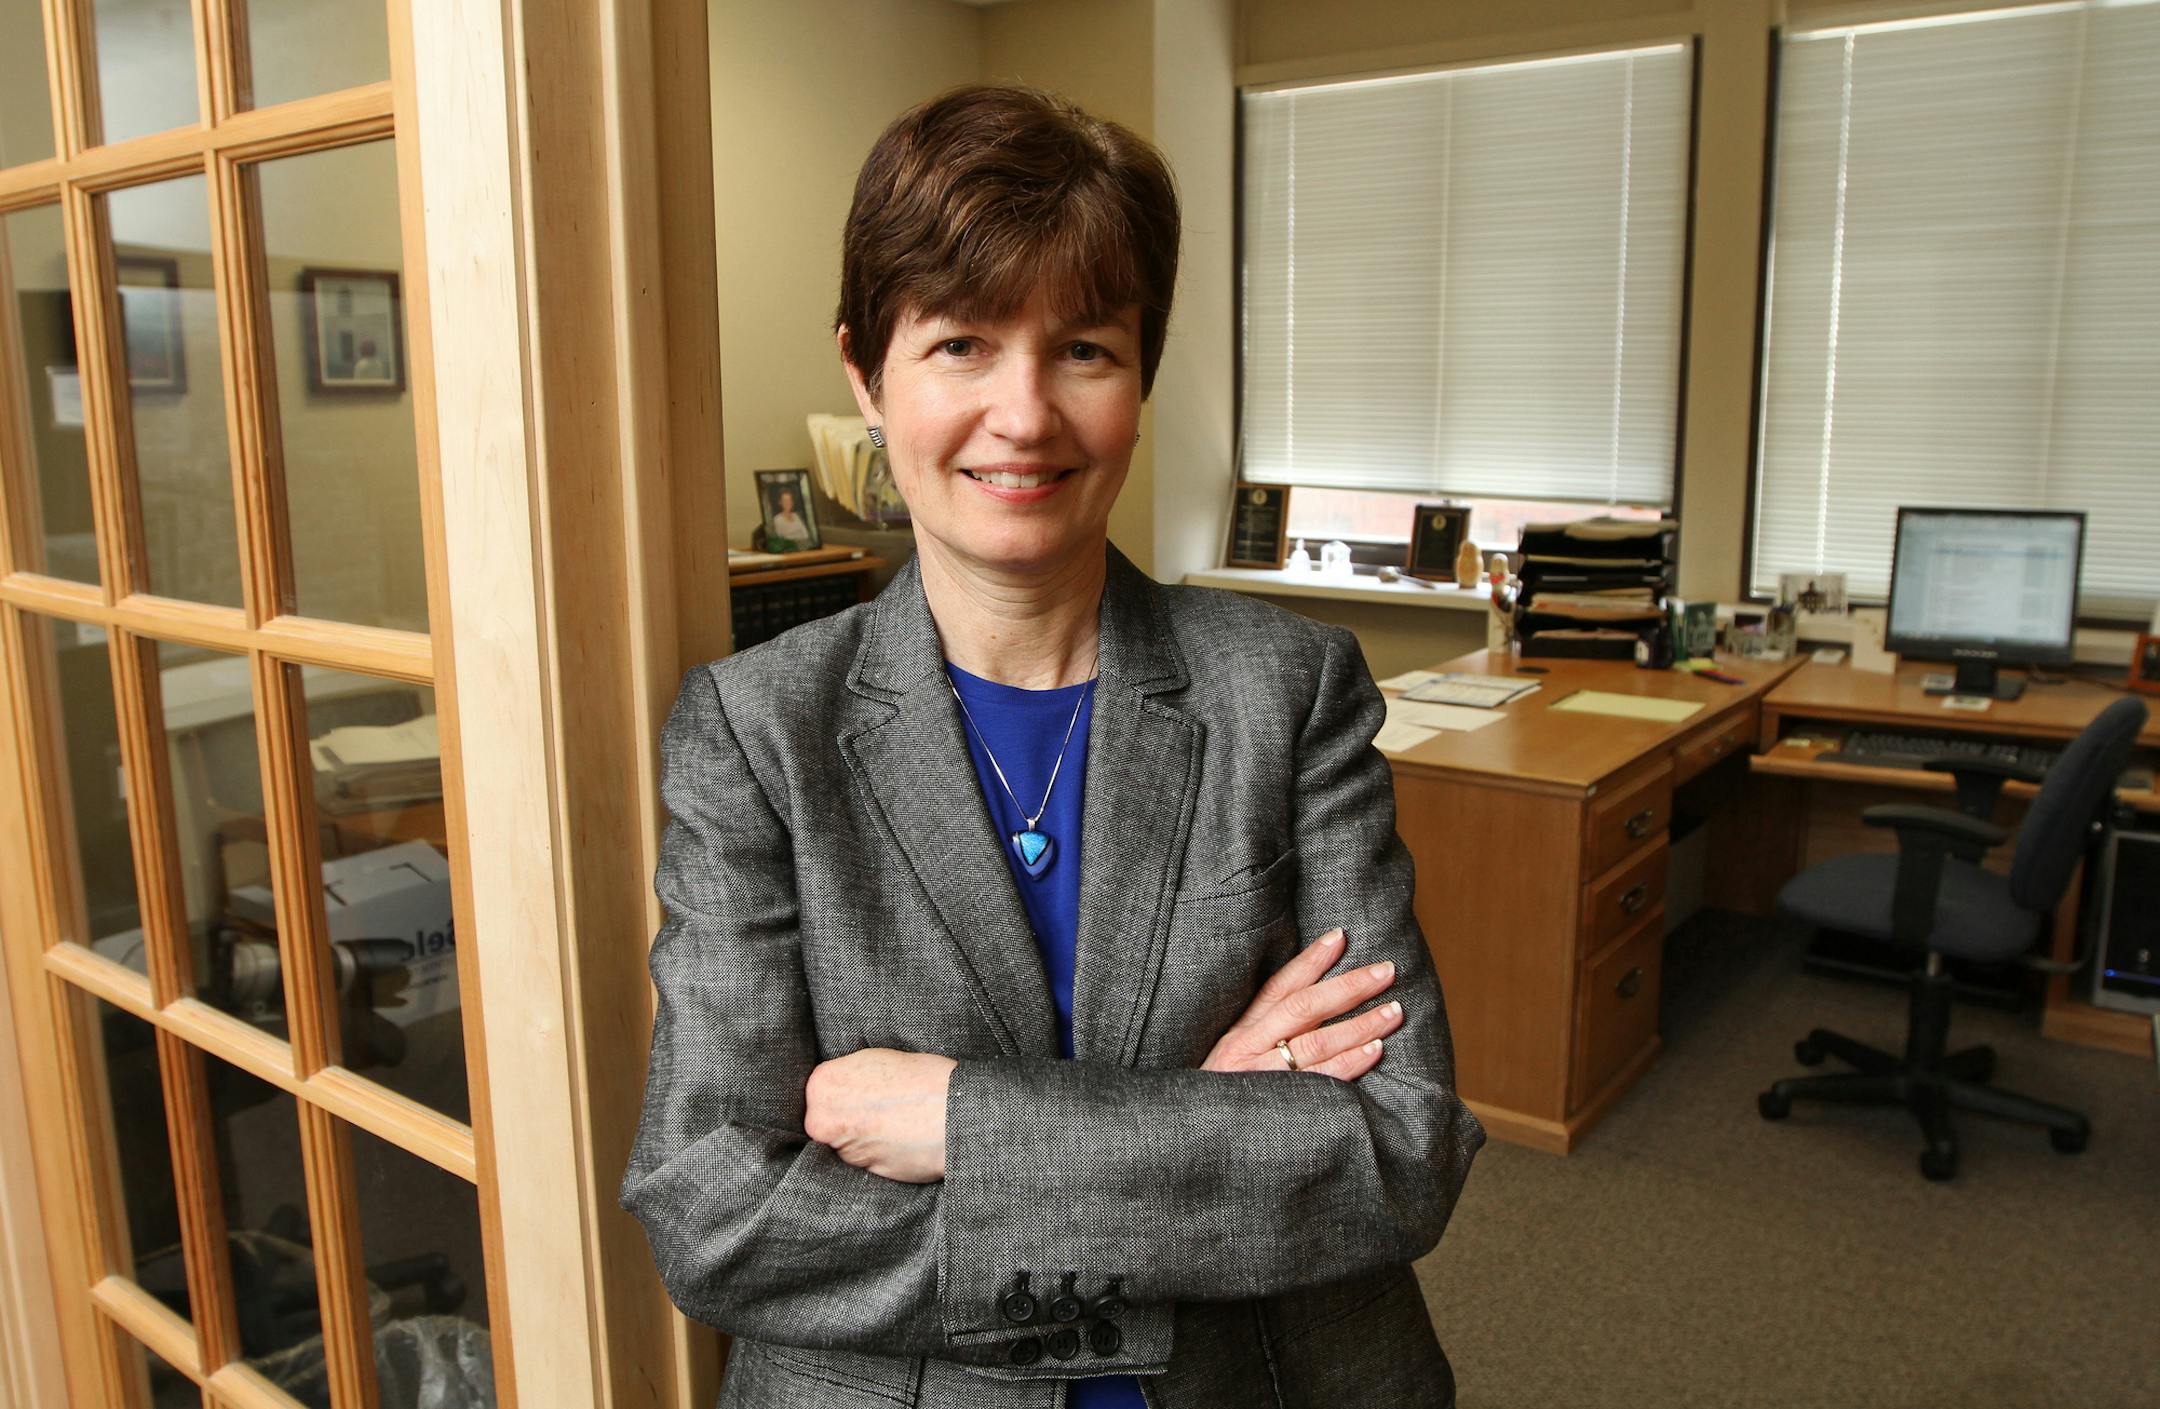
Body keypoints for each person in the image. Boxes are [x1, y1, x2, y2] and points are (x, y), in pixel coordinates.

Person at [620, 85, 1483, 1409]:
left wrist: (960, 1123)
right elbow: (720, 1212)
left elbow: (1397, 1150)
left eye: (1083, 347)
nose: (1024, 415)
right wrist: (1203, 1125)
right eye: (961, 343)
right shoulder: (754, 734)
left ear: (1140, 372)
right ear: (865, 373)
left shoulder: (1287, 691)